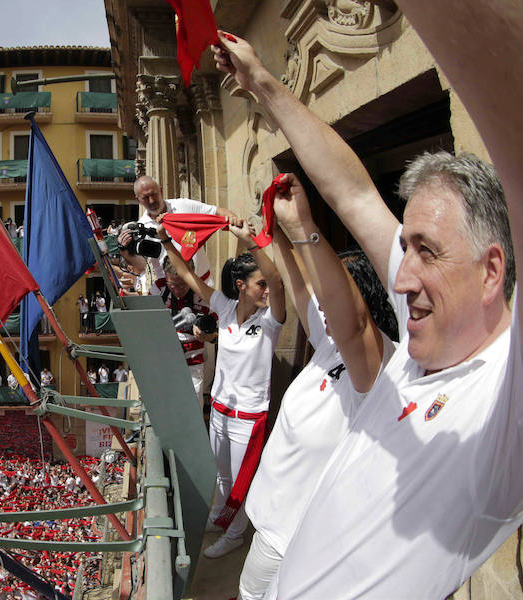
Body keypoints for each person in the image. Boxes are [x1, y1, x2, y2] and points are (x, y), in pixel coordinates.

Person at [214, 32, 523, 597]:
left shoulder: (504, 397)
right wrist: (262, 85)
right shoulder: (421, 338)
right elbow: (354, 195)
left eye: (425, 252)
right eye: (406, 249)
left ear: (491, 270)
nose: (401, 280)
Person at [237, 174, 399, 600]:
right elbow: (298, 285)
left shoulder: (380, 363)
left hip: (303, 540)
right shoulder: (328, 343)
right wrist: (274, 232)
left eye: (335, 292)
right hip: (271, 528)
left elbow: (355, 322)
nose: (321, 301)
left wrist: (304, 227)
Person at [159, 219, 286, 559]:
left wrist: (250, 242)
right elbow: (187, 276)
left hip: (249, 416)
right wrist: (166, 243)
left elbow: (278, 280)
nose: (267, 290)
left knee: (243, 483)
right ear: (241, 286)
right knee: (223, 478)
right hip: (219, 410)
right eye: (260, 285)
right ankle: (222, 519)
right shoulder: (225, 309)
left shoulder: (270, 321)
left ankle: (234, 534)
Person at [117, 175, 239, 290]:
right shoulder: (141, 228)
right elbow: (142, 266)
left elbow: (218, 212)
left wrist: (236, 222)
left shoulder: (183, 205)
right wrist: (124, 252)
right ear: (138, 199)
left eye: (154, 194)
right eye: (145, 197)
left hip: (202, 284)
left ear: (161, 190)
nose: (152, 200)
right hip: (171, 291)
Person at [148, 255, 217, 406]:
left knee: (193, 406)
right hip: (164, 361)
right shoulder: (159, 289)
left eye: (183, 285)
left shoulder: (203, 292)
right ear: (166, 277)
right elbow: (148, 323)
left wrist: (206, 334)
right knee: (166, 405)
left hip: (193, 362)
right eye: (173, 285)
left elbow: (216, 332)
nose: (178, 290)